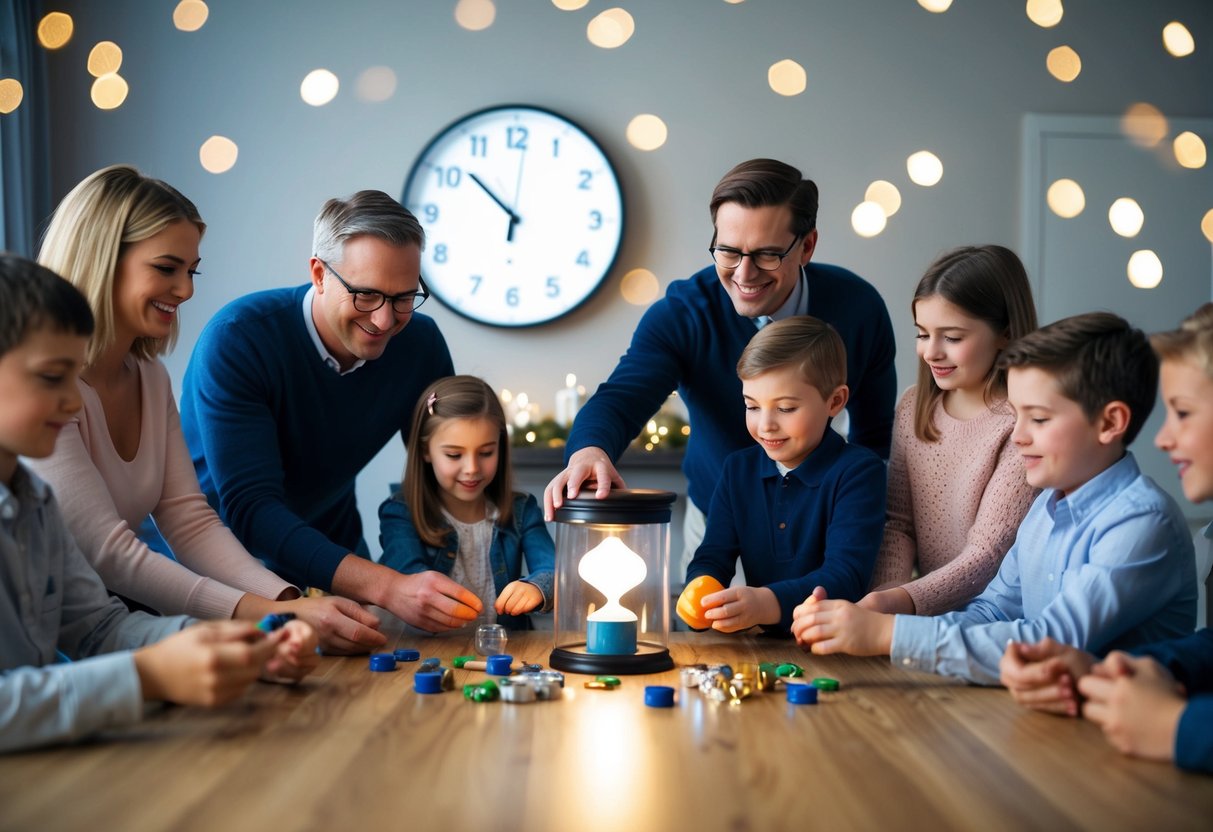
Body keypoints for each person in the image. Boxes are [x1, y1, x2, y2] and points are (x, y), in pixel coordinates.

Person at [29, 165, 382, 654]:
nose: (187, 290)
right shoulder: (44, 393)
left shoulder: (150, 379)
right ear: (104, 258)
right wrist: (276, 615)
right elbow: (108, 551)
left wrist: (286, 600)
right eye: (167, 268)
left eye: (191, 271)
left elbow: (189, 519)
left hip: (100, 625)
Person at [0, 255, 318, 753]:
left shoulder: (37, 503)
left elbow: (100, 627)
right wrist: (146, 676)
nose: (73, 400)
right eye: (50, 378)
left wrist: (227, 648)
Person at [790, 312, 1197, 685]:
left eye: (1038, 418)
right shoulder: (1045, 507)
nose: (1018, 435)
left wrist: (887, 634)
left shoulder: (1142, 522)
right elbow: (992, 611)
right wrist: (884, 613)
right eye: (1017, 415)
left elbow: (1047, 642)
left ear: (1110, 422)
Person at [544, 158, 897, 571]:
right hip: (716, 530)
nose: (744, 274)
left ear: (807, 246)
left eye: (767, 255)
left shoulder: (858, 308)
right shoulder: (683, 313)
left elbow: (875, 438)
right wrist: (590, 450)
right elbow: (624, 396)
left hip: (826, 529)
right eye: (728, 251)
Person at [179, 189, 482, 633]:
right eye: (365, 295)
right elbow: (250, 508)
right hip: (221, 569)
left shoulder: (419, 342)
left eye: (403, 298)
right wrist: (389, 586)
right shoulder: (238, 339)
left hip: (335, 553)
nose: (384, 321)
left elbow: (445, 465)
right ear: (319, 274)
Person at [1001, 304, 1213, 774]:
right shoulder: (1044, 505)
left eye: (1181, 412)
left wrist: (1178, 725)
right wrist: (1109, 672)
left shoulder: (1142, 520)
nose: (1161, 438)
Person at [860, 245, 1039, 616]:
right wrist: (883, 597)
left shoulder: (1022, 425)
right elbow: (899, 525)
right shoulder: (914, 406)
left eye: (952, 338)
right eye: (923, 334)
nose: (931, 352)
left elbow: (987, 553)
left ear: (1005, 333)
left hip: (991, 620)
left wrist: (903, 602)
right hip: (919, 616)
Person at [680, 317, 886, 635]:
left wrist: (766, 603)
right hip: (763, 646)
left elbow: (845, 577)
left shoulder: (859, 472)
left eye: (786, 408)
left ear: (835, 401)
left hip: (838, 645)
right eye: (752, 406)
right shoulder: (737, 470)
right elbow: (713, 554)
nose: (765, 425)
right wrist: (701, 588)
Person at [378, 375, 555, 630]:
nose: (472, 468)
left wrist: (536, 587)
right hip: (425, 655)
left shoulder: (522, 510)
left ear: (500, 447)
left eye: (486, 453)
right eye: (454, 455)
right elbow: (409, 580)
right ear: (426, 451)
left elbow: (553, 571)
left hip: (503, 656)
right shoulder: (400, 514)